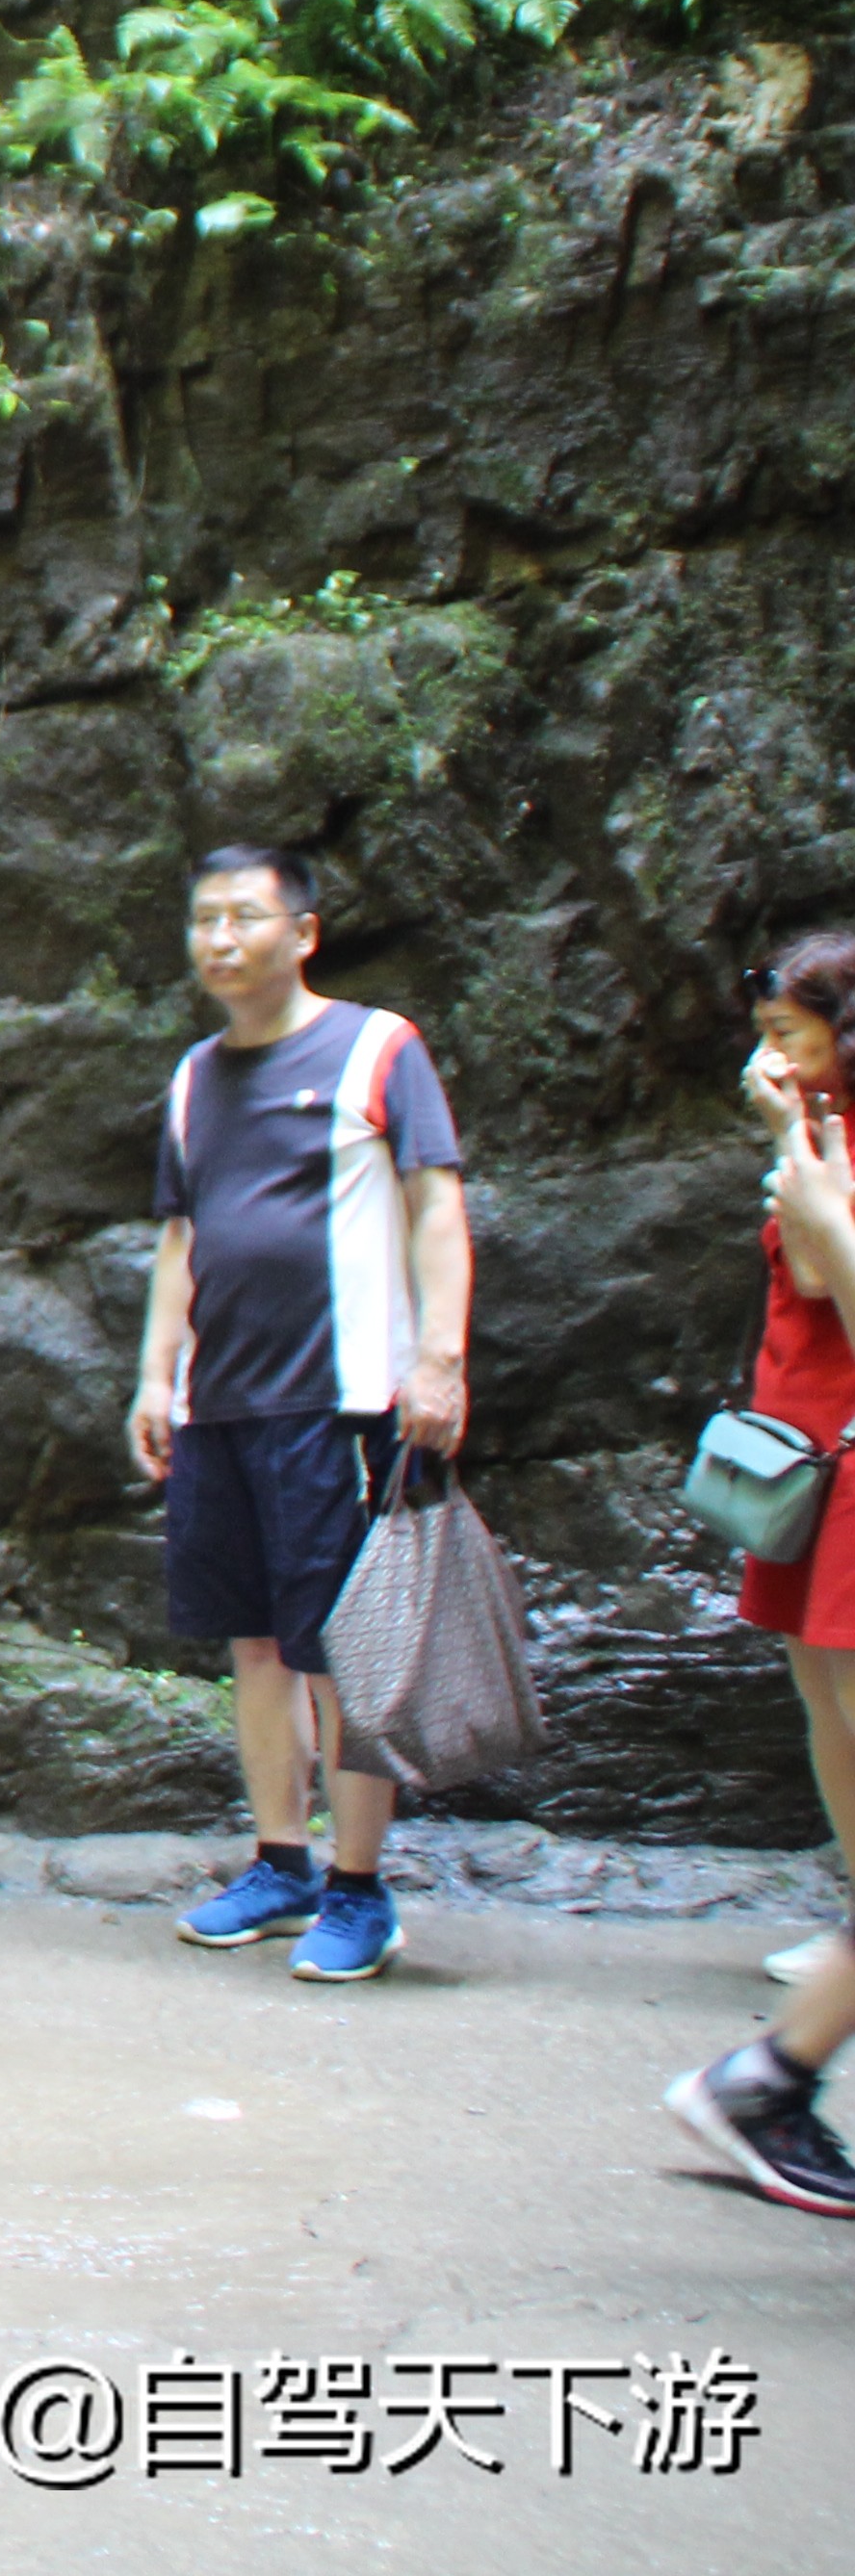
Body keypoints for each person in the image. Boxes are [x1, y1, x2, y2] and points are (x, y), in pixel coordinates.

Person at [127, 844, 470, 1989]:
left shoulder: (378, 1047)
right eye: (203, 920)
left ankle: (362, 1889)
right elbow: (180, 1239)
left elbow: (436, 1204)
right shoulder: (192, 1077)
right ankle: (281, 1864)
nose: (219, 939)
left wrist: (440, 1358)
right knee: (256, 1643)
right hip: (223, 1402)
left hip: (343, 1398)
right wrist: (154, 1378)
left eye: (243, 918)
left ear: (303, 931)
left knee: (346, 1649)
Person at [671, 945, 855, 2216]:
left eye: (792, 1035)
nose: (770, 1061)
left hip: (824, 1471)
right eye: (771, 1037)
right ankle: (770, 2078)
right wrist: (802, 1168)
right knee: (825, 1711)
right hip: (829, 1477)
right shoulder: (817, 1157)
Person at [727, 935, 855, 2000]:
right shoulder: (821, 1128)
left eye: (784, 1036)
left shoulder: (829, 1138)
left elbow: (819, 1269)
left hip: (848, 1444)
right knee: (818, 1687)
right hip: (798, 1446)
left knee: (851, 1689)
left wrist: (784, 1129)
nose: (768, 1058)